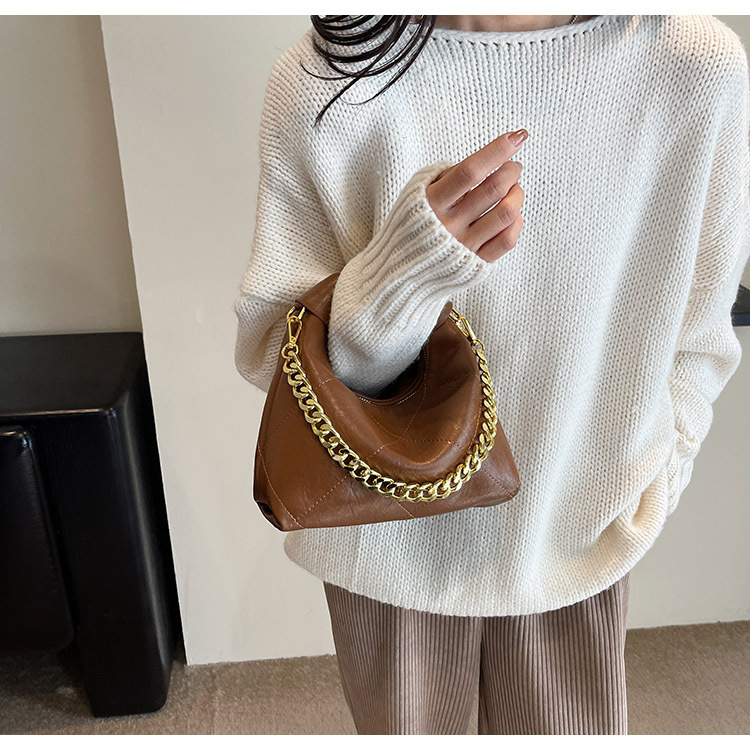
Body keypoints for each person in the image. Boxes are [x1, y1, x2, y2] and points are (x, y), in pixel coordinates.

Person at [234, 14, 750, 734]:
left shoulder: (693, 64)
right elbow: (276, 358)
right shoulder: (326, 79)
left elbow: (700, 331)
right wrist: (401, 276)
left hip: (579, 530)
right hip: (383, 537)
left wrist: (658, 476)